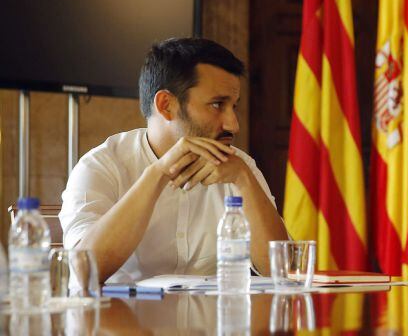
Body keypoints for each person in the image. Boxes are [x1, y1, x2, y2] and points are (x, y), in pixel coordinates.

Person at [59, 38, 289, 283]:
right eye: (217, 105)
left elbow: (280, 270)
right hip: (121, 318)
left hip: (213, 319)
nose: (233, 124)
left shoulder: (239, 166)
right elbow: (84, 271)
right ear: (166, 105)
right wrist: (158, 174)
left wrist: (244, 180)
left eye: (233, 106)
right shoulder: (101, 166)